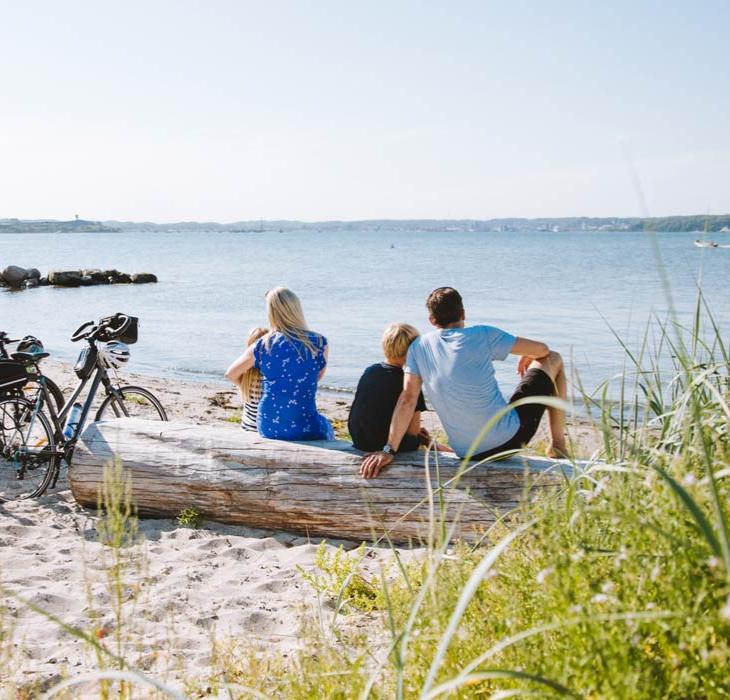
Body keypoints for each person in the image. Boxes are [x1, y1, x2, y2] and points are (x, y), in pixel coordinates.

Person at [360, 286, 567, 479]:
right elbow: (544, 350)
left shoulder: (418, 348)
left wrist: (389, 450)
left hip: (466, 451)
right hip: (508, 441)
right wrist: (529, 354)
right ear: (463, 314)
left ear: (432, 320)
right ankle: (558, 446)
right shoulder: (483, 334)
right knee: (555, 358)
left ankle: (557, 446)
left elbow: (408, 399)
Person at [225, 287, 334, 441]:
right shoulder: (319, 342)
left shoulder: (264, 343)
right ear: (296, 309)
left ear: (271, 313)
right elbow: (316, 378)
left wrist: (248, 385)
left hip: (268, 425)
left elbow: (230, 373)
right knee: (326, 427)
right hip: (305, 423)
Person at [348, 323, 436, 453]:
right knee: (424, 443)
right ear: (413, 350)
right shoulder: (409, 382)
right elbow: (413, 432)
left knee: (428, 442)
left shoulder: (370, 371)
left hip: (360, 440)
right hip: (386, 446)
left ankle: (435, 446)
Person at [234, 326, 268, 432]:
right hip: (263, 429)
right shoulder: (269, 375)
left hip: (246, 428)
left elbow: (231, 375)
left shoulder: (245, 375)